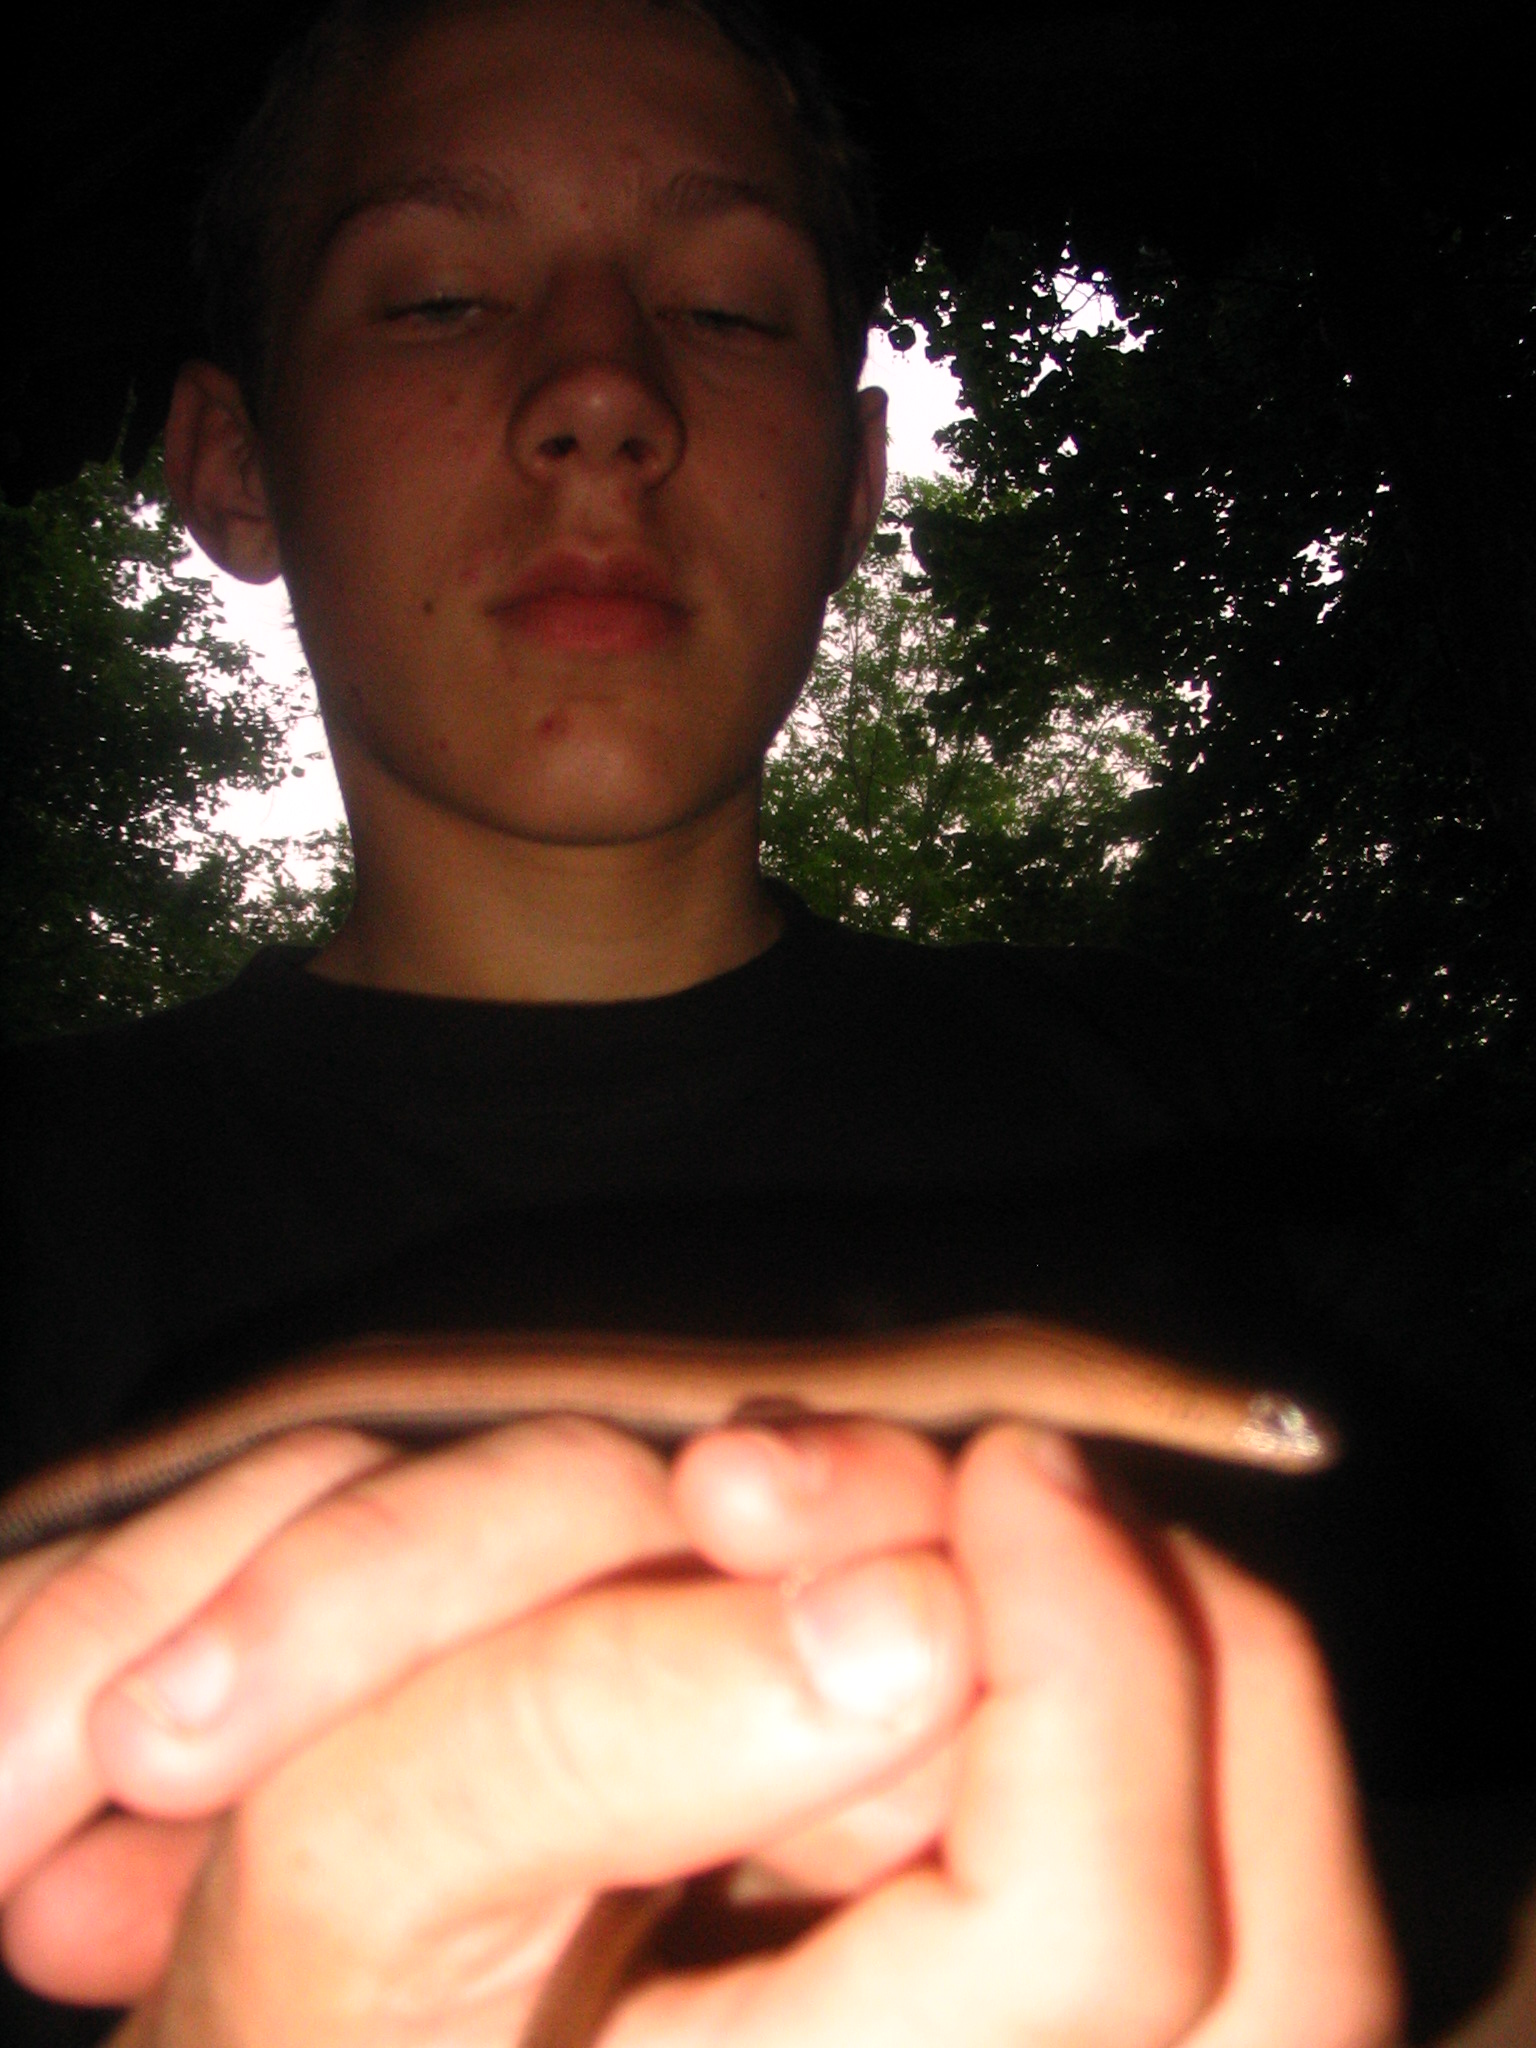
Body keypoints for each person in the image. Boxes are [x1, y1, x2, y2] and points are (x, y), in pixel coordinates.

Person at [0, 0, 1525, 2040]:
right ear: (233, 462)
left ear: (857, 479)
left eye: (727, 311)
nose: (602, 393)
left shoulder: (1219, 1123)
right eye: (439, 298)